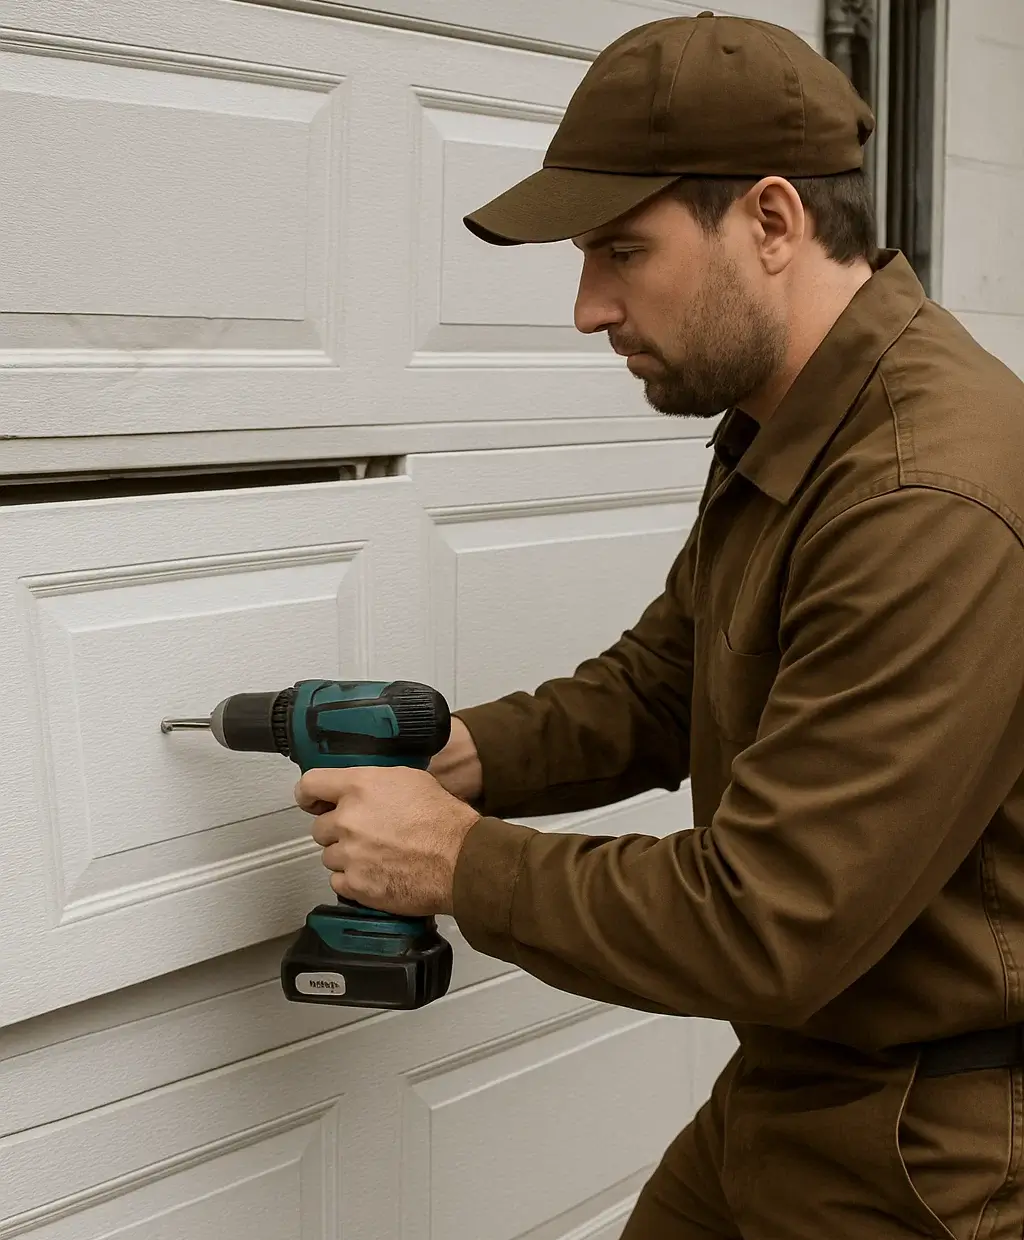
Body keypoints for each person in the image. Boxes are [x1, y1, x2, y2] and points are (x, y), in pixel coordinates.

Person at [294, 11, 1024, 1238]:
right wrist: (455, 753)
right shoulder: (793, 420)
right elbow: (660, 684)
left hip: (924, 1145)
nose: (588, 307)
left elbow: (765, 917)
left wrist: (456, 860)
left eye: (622, 252)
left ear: (774, 222)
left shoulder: (921, 494)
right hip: (794, 1082)